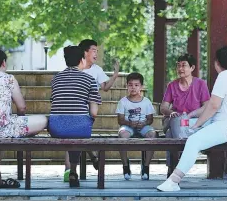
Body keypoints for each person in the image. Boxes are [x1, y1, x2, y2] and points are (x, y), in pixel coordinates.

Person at [156, 46, 227, 192]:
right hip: (223, 123)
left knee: (194, 140)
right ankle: (177, 166)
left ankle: (174, 180)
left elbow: (213, 105)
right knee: (184, 125)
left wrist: (197, 125)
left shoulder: (224, 76)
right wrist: (193, 118)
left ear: (217, 63)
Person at [0, 49, 47, 188]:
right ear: (3, 63)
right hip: (2, 128)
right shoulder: (8, 79)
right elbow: (22, 107)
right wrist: (19, 121)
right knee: (43, 120)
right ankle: (17, 140)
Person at [58, 39, 119, 178]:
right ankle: (75, 168)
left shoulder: (96, 70)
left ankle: (72, 170)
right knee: (76, 135)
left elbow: (104, 87)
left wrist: (115, 75)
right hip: (78, 113)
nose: (96, 53)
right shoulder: (77, 73)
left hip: (83, 113)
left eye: (97, 51)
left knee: (74, 135)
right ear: (84, 53)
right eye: (93, 50)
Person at [49, 45, 102, 188]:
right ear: (82, 60)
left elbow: (55, 103)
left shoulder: (55, 79)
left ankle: (73, 172)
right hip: (79, 127)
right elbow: (94, 112)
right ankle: (77, 168)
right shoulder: (89, 80)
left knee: (74, 126)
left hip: (55, 126)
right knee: (78, 126)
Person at [159, 54, 210, 176]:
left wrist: (191, 115)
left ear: (192, 68)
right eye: (178, 66)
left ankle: (173, 168)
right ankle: (182, 161)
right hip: (175, 120)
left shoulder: (201, 84)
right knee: (177, 122)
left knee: (169, 134)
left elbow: (207, 107)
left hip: (192, 122)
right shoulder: (172, 85)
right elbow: (163, 108)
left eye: (184, 65)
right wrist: (172, 112)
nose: (180, 68)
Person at [116, 72, 156, 181]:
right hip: (128, 126)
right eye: (130, 84)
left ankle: (146, 167)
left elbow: (150, 119)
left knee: (152, 134)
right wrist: (129, 123)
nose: (133, 87)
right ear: (127, 86)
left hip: (143, 126)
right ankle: (125, 166)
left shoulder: (146, 102)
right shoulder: (123, 102)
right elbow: (120, 120)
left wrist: (144, 123)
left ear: (141, 87)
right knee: (122, 135)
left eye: (136, 85)